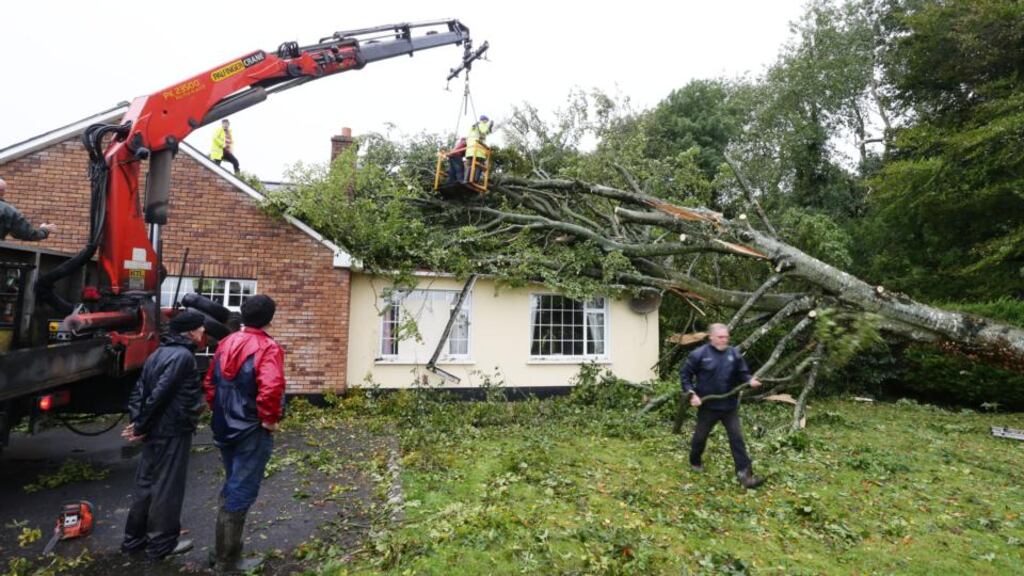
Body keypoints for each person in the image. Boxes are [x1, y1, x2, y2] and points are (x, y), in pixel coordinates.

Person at [204, 294, 285, 573]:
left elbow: (210, 382)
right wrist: (269, 419)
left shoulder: (226, 342)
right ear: (269, 319)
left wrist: (218, 412)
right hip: (251, 428)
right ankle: (228, 561)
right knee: (241, 489)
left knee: (232, 485)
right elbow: (271, 387)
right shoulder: (267, 347)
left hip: (225, 426)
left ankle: (221, 553)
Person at [121, 309, 207, 560]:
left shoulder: (158, 353)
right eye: (200, 327)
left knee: (146, 484)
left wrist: (139, 423)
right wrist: (140, 427)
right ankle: (162, 545)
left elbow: (139, 391)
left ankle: (133, 540)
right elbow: (161, 393)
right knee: (167, 488)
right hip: (171, 431)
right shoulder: (183, 357)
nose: (203, 331)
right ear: (190, 331)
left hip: (155, 429)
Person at [681, 323, 764, 489]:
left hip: (729, 407)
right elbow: (685, 376)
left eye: (726, 337)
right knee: (700, 438)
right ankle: (695, 461)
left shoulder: (734, 354)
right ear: (711, 337)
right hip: (708, 407)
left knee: (737, 439)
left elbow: (743, 373)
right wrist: (692, 394)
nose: (724, 340)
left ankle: (745, 475)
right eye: (720, 337)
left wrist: (749, 380)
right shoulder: (699, 354)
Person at [464, 115, 493, 184]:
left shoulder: (473, 127)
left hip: (470, 150)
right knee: (479, 165)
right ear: (484, 120)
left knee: (468, 165)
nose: (487, 122)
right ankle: (475, 181)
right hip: (478, 150)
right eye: (486, 121)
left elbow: (484, 133)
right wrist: (490, 126)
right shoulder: (482, 124)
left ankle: (465, 180)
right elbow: (484, 131)